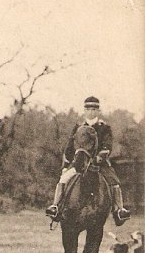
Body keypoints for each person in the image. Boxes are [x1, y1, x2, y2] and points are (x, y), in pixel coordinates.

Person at [46, 96, 130, 226]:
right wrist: (67, 163)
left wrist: (99, 157)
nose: (91, 112)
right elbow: (69, 147)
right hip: (79, 163)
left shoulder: (104, 128)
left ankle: (119, 210)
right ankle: (56, 207)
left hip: (98, 164)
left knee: (114, 183)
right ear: (84, 111)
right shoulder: (78, 128)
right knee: (63, 179)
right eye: (88, 109)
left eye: (94, 109)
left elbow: (107, 146)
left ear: (98, 111)